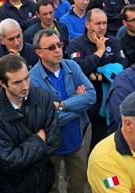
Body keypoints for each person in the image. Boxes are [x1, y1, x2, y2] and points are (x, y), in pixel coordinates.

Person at [0, 55, 60, 193]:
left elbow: (54, 141)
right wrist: (39, 139)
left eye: (27, 78)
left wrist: (23, 152)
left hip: (43, 180)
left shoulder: (43, 96)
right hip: (13, 186)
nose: (25, 86)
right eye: (17, 82)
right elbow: (9, 161)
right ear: (2, 83)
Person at [30, 29, 96, 193]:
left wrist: (61, 105)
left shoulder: (71, 66)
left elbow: (91, 96)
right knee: (51, 185)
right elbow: (47, 119)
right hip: (51, 145)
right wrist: (78, 105)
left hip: (77, 140)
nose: (58, 50)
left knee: (78, 181)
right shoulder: (33, 79)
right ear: (39, 52)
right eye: (51, 47)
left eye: (59, 45)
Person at [66, 8, 127, 151]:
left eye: (104, 23)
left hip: (107, 98)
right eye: (98, 23)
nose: (102, 27)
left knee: (101, 140)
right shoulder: (76, 44)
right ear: (87, 24)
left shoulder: (113, 41)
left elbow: (122, 66)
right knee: (80, 141)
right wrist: (99, 52)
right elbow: (78, 69)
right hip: (85, 98)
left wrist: (99, 75)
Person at [0, 18, 39, 97]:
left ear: (21, 32)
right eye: (11, 39)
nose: (16, 42)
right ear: (2, 40)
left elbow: (39, 80)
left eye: (18, 36)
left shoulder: (32, 51)